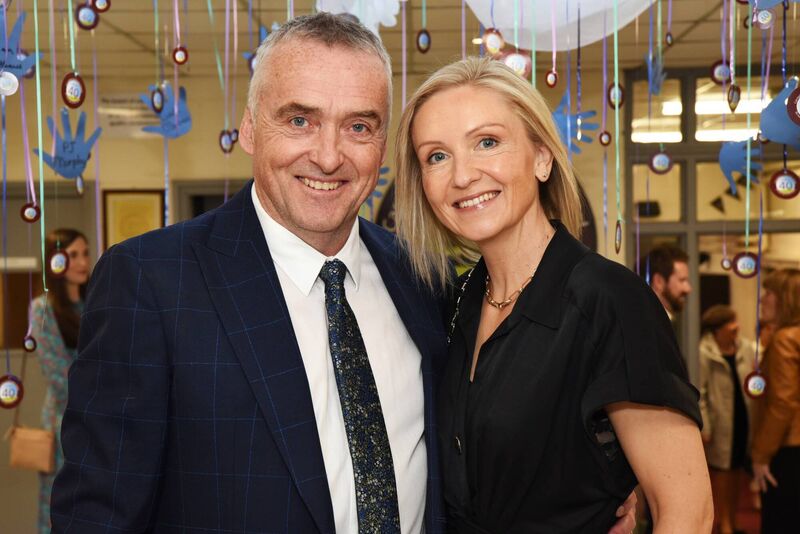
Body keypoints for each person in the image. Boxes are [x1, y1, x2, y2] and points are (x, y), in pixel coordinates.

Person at [50, 14, 635, 534]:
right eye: (300, 120)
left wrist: (626, 488)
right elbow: (98, 514)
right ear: (251, 128)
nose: (329, 156)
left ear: (383, 145)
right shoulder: (151, 282)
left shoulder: (425, 279)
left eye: (359, 126)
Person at [395, 57, 713, 532]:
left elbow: (687, 513)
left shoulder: (608, 299)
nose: (462, 176)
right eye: (436, 156)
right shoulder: (455, 302)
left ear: (542, 157)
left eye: (488, 142)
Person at [30, 228, 91, 534]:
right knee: (59, 506)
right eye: (72, 255)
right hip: (63, 422)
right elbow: (58, 375)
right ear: (55, 260)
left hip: (103, 420)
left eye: (85, 253)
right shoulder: (43, 309)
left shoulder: (98, 302)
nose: (82, 262)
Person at [699, 305, 756, 534]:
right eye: (730, 323)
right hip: (721, 422)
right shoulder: (704, 352)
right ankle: (724, 523)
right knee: (723, 472)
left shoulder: (745, 348)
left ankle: (733, 519)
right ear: (717, 330)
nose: (737, 327)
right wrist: (706, 424)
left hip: (743, 417)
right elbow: (700, 392)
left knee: (737, 470)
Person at [751, 268, 800, 533]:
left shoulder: (784, 340)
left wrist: (760, 454)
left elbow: (783, 403)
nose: (763, 298)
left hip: (787, 450)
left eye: (769, 292)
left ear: (785, 298)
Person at [640, 244, 691, 321]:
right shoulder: (647, 324)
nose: (688, 289)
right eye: (682, 280)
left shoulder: (660, 322)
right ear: (658, 282)